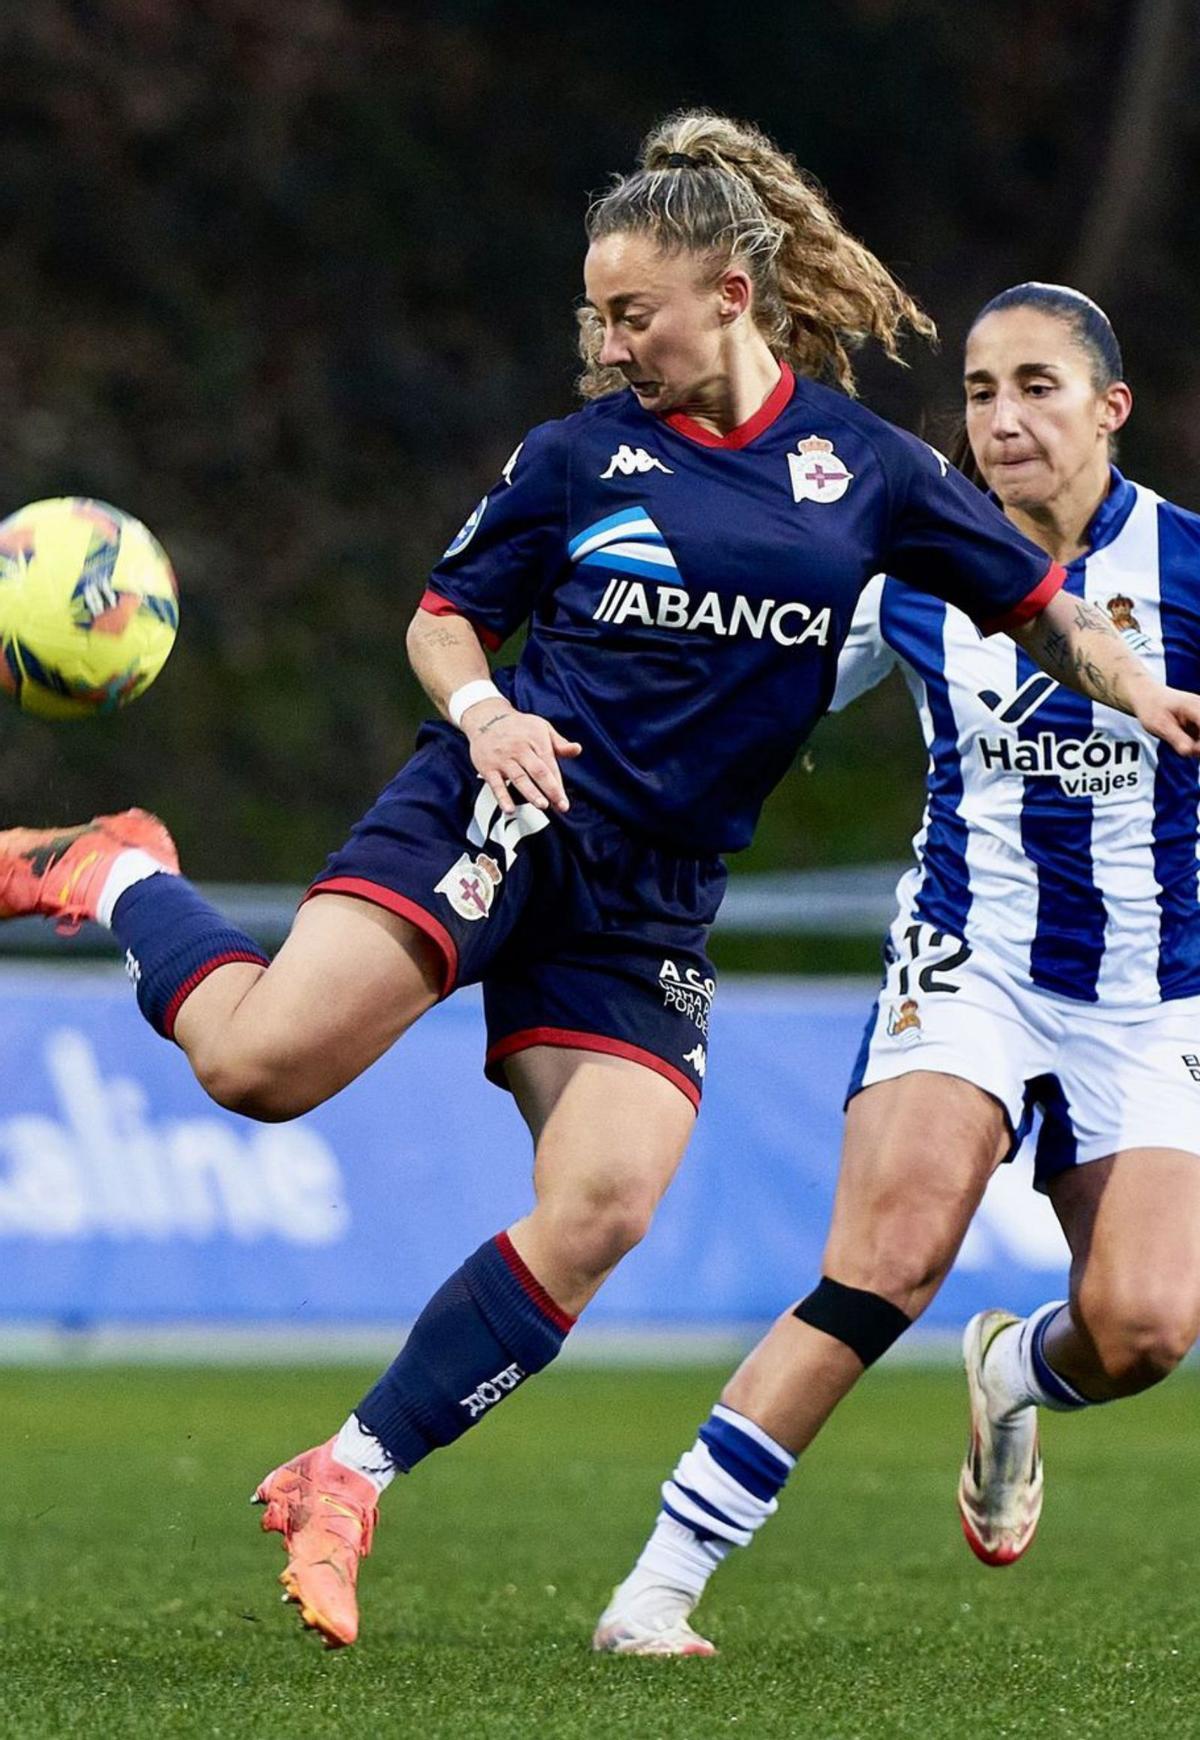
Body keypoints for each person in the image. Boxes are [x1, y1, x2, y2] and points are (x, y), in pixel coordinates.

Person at [3, 113, 1196, 1651]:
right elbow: (443, 616)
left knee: (605, 1205)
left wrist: (1133, 684)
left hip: (652, 900)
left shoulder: (873, 477)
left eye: (633, 312)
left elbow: (1044, 609)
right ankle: (117, 872)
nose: (610, 342)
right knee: (258, 1069)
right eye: (598, 314)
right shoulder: (576, 459)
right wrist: (483, 712)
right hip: (506, 811)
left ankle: (345, 1475)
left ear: (731, 295)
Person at [593, 280, 1200, 1658]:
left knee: (1146, 1329)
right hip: (967, 962)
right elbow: (763, 684)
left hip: (1153, 990)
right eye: (981, 392)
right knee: (889, 1258)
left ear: (1110, 407)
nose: (1004, 419)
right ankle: (661, 1584)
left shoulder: (1188, 567)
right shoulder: (916, 568)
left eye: (1038, 387)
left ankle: (1015, 1370)